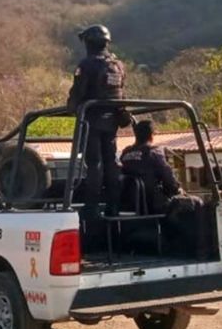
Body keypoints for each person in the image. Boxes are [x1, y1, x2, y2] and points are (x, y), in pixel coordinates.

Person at [67, 24, 128, 221]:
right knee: (111, 163)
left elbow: (78, 93)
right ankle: (114, 206)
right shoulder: (118, 65)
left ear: (89, 43)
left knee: (95, 164)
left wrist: (71, 106)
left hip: (92, 121)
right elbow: (122, 93)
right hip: (112, 122)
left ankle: (92, 207)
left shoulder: (86, 65)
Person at [120, 120, 181, 214]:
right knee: (194, 203)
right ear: (152, 135)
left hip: (128, 203)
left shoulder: (125, 153)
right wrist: (177, 190)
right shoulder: (154, 153)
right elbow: (169, 181)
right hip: (152, 205)